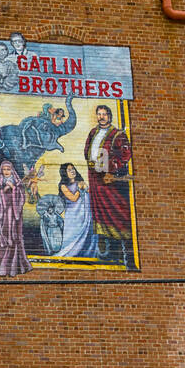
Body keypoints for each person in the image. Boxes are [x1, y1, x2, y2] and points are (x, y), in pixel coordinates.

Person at [84, 104, 133, 264]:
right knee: (99, 211)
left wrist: (112, 170)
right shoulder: (93, 132)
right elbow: (87, 150)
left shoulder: (118, 134)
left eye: (104, 114)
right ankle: (107, 251)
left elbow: (125, 155)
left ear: (110, 116)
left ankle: (122, 251)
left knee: (115, 211)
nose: (101, 117)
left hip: (108, 179)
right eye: (99, 114)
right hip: (94, 177)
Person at [53, 162, 94, 257]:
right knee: (73, 234)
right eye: (69, 170)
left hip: (84, 212)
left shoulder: (79, 182)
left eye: (73, 169)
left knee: (87, 232)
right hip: (73, 215)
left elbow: (89, 194)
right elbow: (73, 198)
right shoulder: (63, 186)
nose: (72, 171)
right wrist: (80, 189)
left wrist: (85, 188)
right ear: (64, 173)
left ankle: (85, 253)